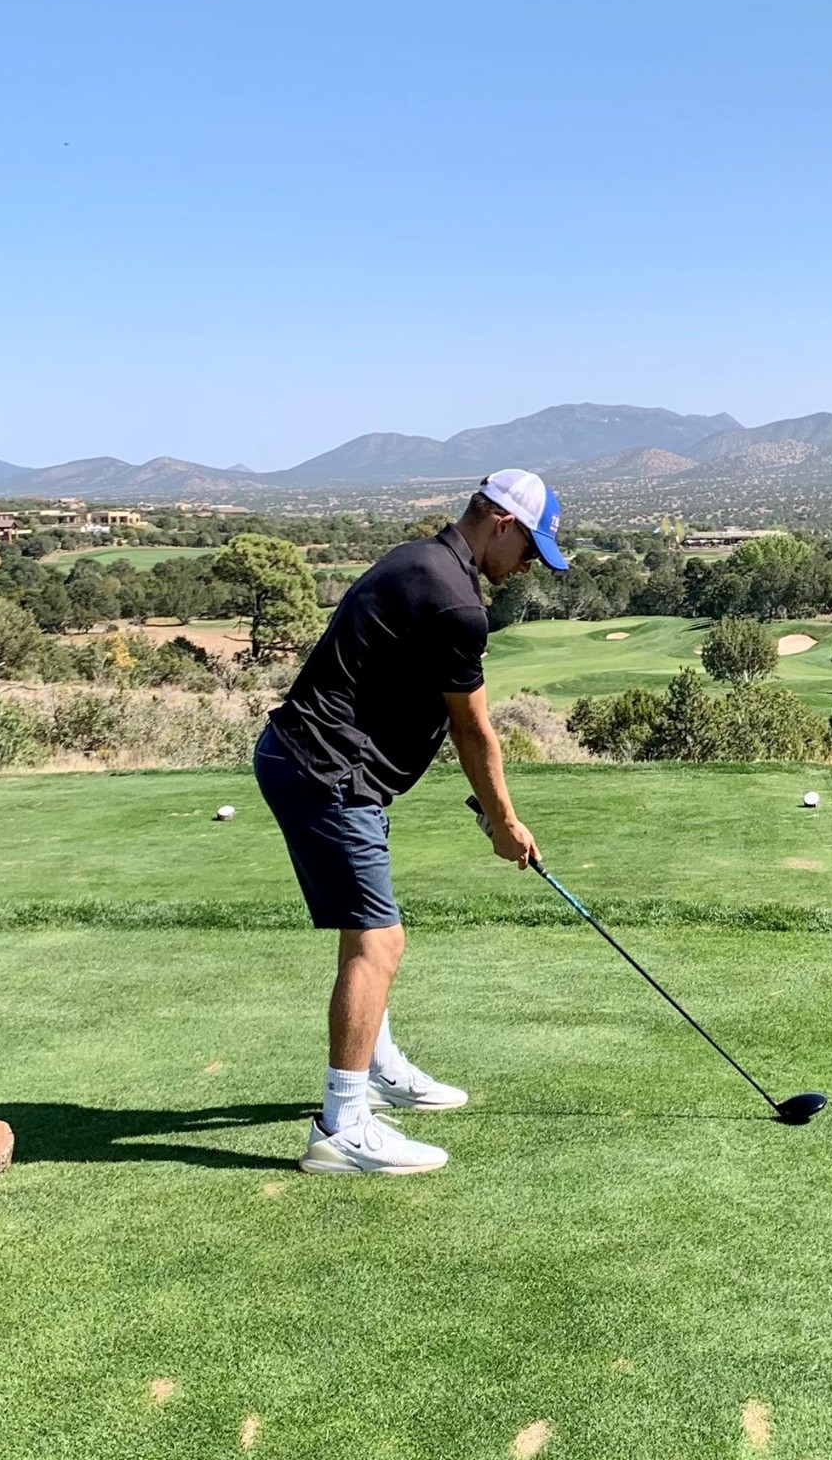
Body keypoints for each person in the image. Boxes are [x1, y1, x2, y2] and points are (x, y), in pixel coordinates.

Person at [254, 469, 569, 1175]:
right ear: (502, 524)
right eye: (529, 550)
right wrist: (505, 822)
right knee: (379, 940)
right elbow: (474, 730)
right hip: (326, 772)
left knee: (367, 926)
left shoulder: (421, 558)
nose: (526, 568)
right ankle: (342, 1126)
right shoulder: (456, 602)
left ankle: (378, 1066)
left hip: (316, 762)